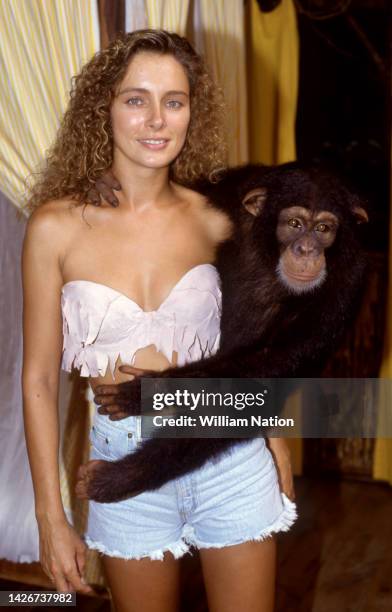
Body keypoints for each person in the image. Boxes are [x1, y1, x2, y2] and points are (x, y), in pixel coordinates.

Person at [22, 30, 297, 612]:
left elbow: (257, 351)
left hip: (228, 451)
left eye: (174, 101)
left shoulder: (220, 221)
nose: (156, 119)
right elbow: (40, 381)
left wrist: (278, 447)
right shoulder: (55, 228)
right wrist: (51, 515)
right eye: (135, 98)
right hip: (124, 464)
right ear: (105, 108)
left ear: (192, 113)